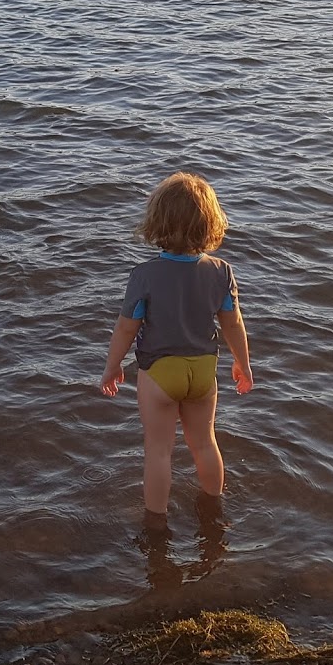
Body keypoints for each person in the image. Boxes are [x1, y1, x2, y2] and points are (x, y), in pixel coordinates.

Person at [100, 172, 252, 520]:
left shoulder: (144, 275)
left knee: (158, 452)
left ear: (157, 222)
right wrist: (243, 364)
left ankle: (156, 524)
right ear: (210, 224)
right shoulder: (221, 271)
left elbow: (126, 328)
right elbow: (233, 323)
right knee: (204, 442)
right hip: (203, 371)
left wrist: (112, 367)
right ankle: (213, 508)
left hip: (159, 373)